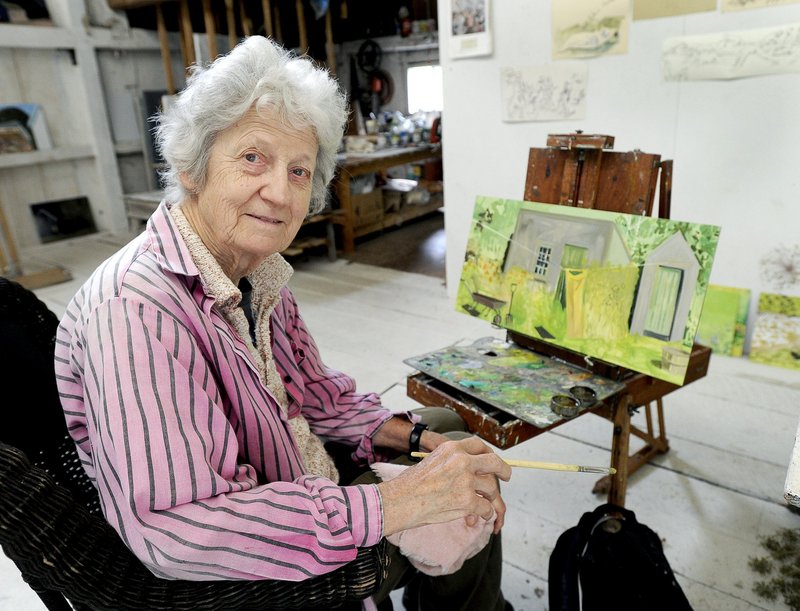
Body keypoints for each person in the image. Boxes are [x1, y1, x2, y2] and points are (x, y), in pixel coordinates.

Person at [54, 35, 511, 610]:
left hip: (292, 470)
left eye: (299, 171)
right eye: (253, 158)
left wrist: (417, 439)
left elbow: (317, 398)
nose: (279, 192)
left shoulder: (256, 269)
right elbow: (178, 530)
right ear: (192, 167)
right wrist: (400, 504)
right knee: (462, 490)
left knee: (453, 437)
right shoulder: (134, 311)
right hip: (242, 554)